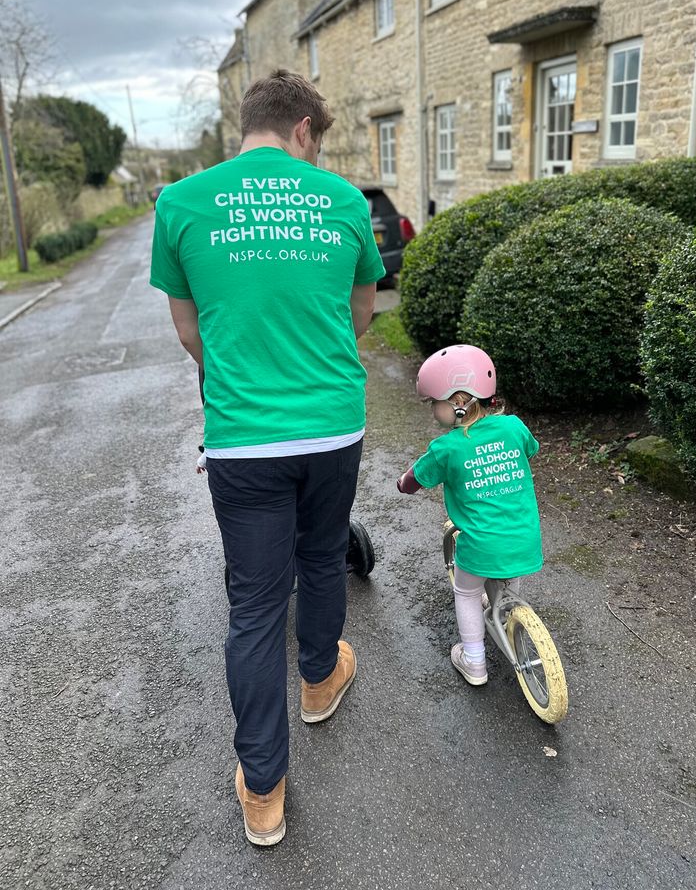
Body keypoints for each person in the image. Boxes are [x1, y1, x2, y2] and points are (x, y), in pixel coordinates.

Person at [150, 69, 385, 846]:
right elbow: (360, 316)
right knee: (322, 558)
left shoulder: (180, 204)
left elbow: (191, 333)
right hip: (331, 428)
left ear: (248, 122)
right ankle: (320, 680)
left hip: (244, 437)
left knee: (253, 604)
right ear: (305, 131)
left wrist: (241, 391)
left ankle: (264, 791)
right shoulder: (346, 201)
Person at [397, 344, 543, 686]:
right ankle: (507, 611)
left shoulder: (446, 448)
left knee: (465, 592)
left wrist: (402, 483)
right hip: (524, 539)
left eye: (435, 402)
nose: (433, 410)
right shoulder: (514, 427)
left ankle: (474, 659)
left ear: (459, 402)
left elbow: (412, 481)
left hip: (479, 548)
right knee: (504, 579)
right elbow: (530, 449)